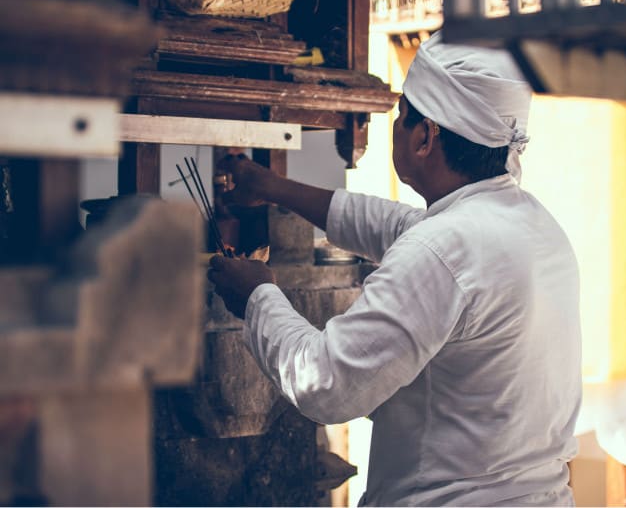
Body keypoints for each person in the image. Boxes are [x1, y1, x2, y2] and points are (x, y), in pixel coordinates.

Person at [208, 31, 582, 506]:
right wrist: (272, 187)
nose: (396, 126)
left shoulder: (443, 248)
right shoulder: (530, 225)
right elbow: (393, 225)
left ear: (426, 137)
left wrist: (258, 298)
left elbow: (326, 384)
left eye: (402, 116)